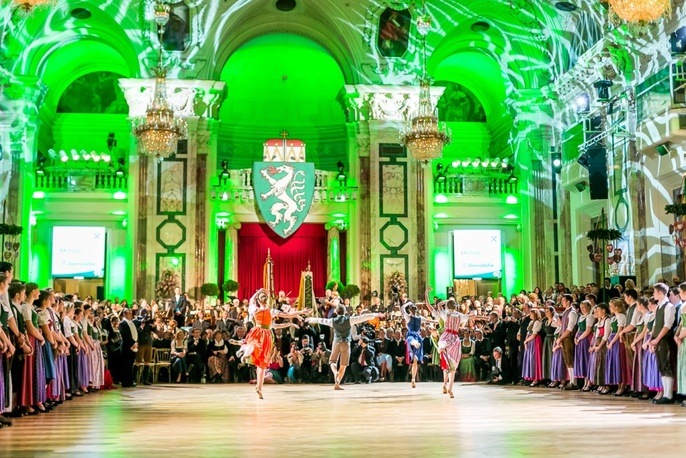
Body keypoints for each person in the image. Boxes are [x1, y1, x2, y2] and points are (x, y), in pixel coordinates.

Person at [231, 289, 308, 399]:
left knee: (253, 346)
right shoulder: (271, 311)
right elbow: (287, 314)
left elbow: (251, 299)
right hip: (266, 335)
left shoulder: (254, 309)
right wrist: (300, 312)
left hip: (256, 331)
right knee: (261, 364)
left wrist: (259, 292)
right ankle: (259, 388)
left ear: (259, 300)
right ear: (266, 301)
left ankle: (245, 354)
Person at [306, 304, 381, 390]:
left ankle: (335, 373)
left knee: (332, 361)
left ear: (336, 312)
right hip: (346, 343)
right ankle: (337, 382)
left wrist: (311, 319)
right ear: (345, 312)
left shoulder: (333, 321)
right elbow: (362, 317)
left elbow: (322, 320)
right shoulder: (349, 320)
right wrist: (376, 314)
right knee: (343, 365)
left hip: (336, 343)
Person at [649, 283, 676, 404]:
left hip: (665, 340)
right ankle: (665, 393)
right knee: (661, 366)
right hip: (657, 339)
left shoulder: (669, 306)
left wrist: (658, 338)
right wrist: (651, 339)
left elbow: (667, 325)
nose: (653, 294)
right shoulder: (659, 306)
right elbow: (656, 324)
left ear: (660, 293)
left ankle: (669, 395)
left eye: (654, 292)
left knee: (666, 365)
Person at [118, 308, 138, 388]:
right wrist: (133, 343)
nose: (131, 314)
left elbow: (134, 333)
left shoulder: (131, 323)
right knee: (125, 365)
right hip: (127, 346)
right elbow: (125, 335)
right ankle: (125, 382)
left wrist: (136, 342)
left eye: (131, 313)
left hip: (133, 346)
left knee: (130, 364)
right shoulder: (122, 323)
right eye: (129, 313)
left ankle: (130, 380)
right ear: (125, 314)